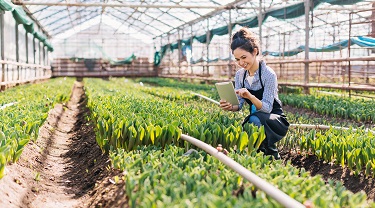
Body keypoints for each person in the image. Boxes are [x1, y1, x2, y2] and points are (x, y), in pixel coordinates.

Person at [219, 27, 289, 160]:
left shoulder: (268, 74)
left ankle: (273, 156)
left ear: (255, 51)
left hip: (273, 118)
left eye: (244, 57)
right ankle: (259, 157)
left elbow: (267, 108)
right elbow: (239, 105)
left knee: (254, 120)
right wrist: (229, 106)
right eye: (237, 59)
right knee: (251, 122)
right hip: (256, 118)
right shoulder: (240, 75)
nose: (241, 63)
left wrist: (250, 96)